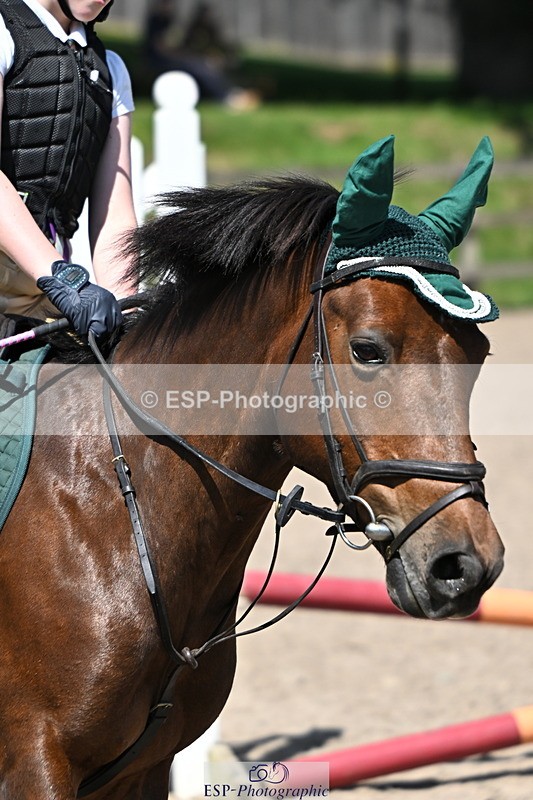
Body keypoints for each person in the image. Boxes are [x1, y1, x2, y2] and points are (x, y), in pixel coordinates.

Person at [0, 0, 138, 339]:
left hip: (42, 293)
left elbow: (115, 217)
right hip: (50, 276)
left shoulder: (111, 70)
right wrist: (61, 277)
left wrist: (129, 313)